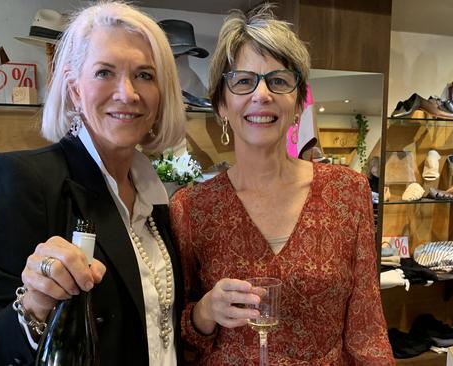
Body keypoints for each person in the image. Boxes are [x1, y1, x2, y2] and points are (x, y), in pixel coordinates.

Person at [169, 6, 394, 365]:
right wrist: (206, 312)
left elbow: (367, 329)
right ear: (221, 105)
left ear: (299, 102)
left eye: (279, 80)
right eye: (243, 81)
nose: (262, 94)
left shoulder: (347, 192)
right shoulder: (192, 208)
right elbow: (177, 338)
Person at [0, 2, 186, 365]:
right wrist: (35, 305)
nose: (127, 93)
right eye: (104, 72)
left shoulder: (155, 196)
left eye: (145, 75)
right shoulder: (22, 179)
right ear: (74, 89)